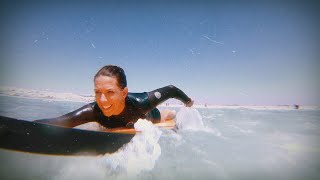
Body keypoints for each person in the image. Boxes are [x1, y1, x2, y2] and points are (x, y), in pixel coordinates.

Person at [34, 65, 194, 129]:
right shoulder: (93, 111)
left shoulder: (141, 102)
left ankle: (171, 113)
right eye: (98, 92)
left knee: (167, 115)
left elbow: (171, 89)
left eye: (110, 92)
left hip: (149, 116)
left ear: (124, 93)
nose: (102, 101)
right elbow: (60, 121)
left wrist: (187, 102)